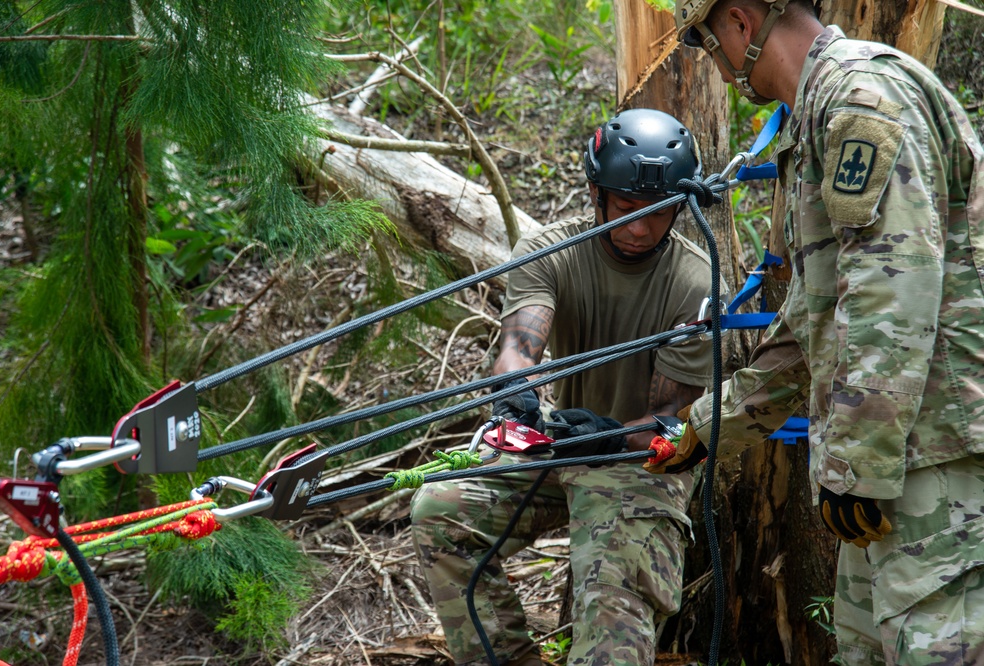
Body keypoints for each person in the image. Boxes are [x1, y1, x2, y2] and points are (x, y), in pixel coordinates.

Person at [648, 1, 984, 664]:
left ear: (741, 23)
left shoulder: (861, 97)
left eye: (709, 44)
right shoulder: (819, 116)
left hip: (936, 458)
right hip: (891, 461)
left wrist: (857, 464)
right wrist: (708, 424)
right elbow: (811, 320)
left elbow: (895, 285)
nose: (715, 67)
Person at [410, 109, 721, 666]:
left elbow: (672, 419)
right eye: (626, 209)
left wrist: (606, 438)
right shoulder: (549, 251)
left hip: (643, 467)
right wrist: (517, 396)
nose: (641, 227)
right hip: (560, 447)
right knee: (439, 506)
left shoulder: (696, 282)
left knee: (613, 588)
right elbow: (518, 348)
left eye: (660, 211)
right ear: (597, 194)